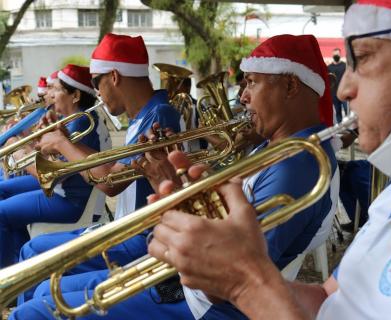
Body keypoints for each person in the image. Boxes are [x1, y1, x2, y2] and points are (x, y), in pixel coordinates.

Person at [145, 1, 391, 319]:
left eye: (361, 59)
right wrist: (226, 264)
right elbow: (325, 300)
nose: (344, 89)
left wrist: (245, 280)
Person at [11, 34, 340, 320]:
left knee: (34, 308)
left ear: (291, 85)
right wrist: (175, 183)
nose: (242, 96)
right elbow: (227, 224)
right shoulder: (281, 150)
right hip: (183, 280)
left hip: (200, 304)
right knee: (41, 290)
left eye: (252, 82)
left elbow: (234, 268)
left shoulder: (297, 164)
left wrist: (167, 187)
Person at [12, 33, 181, 307]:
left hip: (141, 238)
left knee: (34, 257)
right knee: (32, 255)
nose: (96, 92)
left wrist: (63, 144)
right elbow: (113, 164)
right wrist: (66, 142)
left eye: (96, 82)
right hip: (126, 230)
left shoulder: (159, 114)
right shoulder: (145, 114)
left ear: (114, 76)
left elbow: (110, 181)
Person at [0, 64, 108, 268]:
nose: (49, 93)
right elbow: (49, 160)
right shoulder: (76, 120)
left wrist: (17, 149)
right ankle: (15, 264)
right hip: (63, 193)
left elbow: (51, 174)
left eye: (56, 89)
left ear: (75, 95)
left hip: (70, 200)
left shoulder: (81, 123)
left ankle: (8, 280)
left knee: (1, 212)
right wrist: (32, 140)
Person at [328, 48, 348, 124]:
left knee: (347, 111)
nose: (336, 56)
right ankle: (340, 128)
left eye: (337, 54)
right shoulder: (329, 68)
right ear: (332, 55)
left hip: (344, 93)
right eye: (335, 54)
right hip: (334, 94)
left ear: (340, 55)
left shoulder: (345, 66)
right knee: (338, 112)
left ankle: (348, 129)